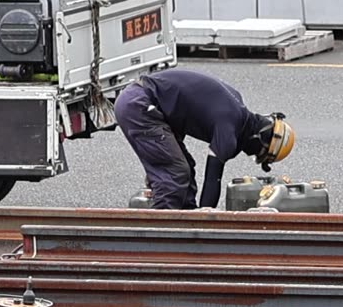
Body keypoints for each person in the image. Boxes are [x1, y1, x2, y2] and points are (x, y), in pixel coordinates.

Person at [114, 68, 295, 210]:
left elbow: (189, 102)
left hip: (145, 101)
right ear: (260, 138)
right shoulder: (229, 128)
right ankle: (159, 239)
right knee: (175, 173)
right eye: (259, 154)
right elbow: (212, 180)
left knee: (186, 168)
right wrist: (205, 221)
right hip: (140, 105)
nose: (252, 154)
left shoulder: (236, 105)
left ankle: (183, 231)